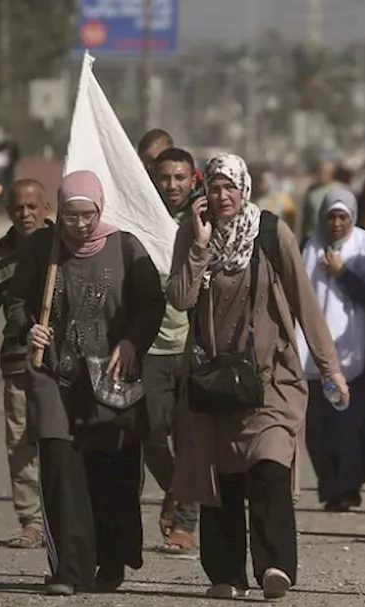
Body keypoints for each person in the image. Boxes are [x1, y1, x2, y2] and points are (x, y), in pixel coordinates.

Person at [166, 152, 346, 601]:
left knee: (268, 466)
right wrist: (201, 245)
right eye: (215, 186)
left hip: (270, 379)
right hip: (214, 383)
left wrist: (329, 368)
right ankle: (227, 574)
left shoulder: (269, 232)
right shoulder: (193, 232)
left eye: (230, 186)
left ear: (244, 188)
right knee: (223, 479)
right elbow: (181, 298)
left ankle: (275, 566)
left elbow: (305, 301)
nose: (222, 195)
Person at [5, 170, 166, 596]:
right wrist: (28, 329)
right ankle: (67, 570)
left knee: (111, 471)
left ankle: (110, 561)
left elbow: (152, 302)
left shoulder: (126, 248)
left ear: (100, 208)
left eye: (87, 215)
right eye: (70, 216)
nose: (78, 225)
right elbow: (18, 300)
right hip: (54, 375)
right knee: (60, 465)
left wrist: (133, 340)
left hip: (110, 376)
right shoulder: (45, 247)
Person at [0, 179, 52, 549]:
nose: (26, 214)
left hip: (64, 369)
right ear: (9, 211)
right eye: (19, 207)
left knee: (62, 443)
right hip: (18, 367)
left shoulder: (63, 246)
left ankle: (65, 515)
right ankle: (31, 520)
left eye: (33, 206)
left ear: (45, 208)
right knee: (20, 444)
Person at [297, 188, 365, 512]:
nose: (336, 224)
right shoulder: (308, 247)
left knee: (347, 424)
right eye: (331, 217)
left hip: (355, 351)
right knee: (318, 426)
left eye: (342, 217)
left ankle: (348, 488)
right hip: (313, 354)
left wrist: (343, 275)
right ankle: (331, 487)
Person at [146, 146, 201, 553]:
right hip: (149, 346)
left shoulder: (204, 220)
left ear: (192, 178)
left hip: (194, 346)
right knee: (149, 430)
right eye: (165, 177)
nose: (172, 185)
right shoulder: (140, 218)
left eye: (180, 177)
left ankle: (186, 522)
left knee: (191, 437)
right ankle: (175, 488)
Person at [300, 159, 346, 239]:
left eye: (324, 171)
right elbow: (306, 216)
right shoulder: (311, 190)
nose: (321, 174)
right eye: (319, 170)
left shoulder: (341, 189)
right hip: (312, 236)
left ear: (332, 173)